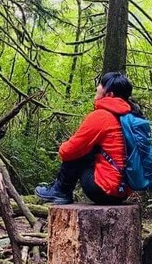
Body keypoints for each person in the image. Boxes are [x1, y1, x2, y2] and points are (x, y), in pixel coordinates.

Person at [35, 72, 138, 205]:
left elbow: (67, 151)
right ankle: (60, 191)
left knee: (78, 149)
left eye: (101, 84)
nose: (97, 87)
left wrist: (64, 146)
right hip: (123, 191)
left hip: (102, 189)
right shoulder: (131, 117)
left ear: (110, 94)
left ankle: (61, 190)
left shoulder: (101, 116)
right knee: (87, 147)